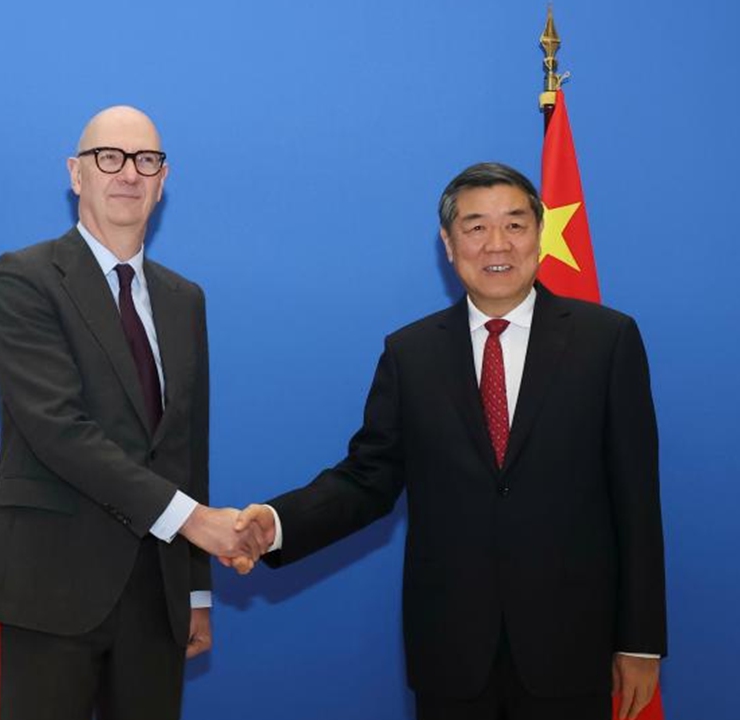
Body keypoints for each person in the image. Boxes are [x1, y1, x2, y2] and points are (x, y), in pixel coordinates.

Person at [234, 162, 667, 720]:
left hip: (572, 647)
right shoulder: (410, 354)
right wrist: (277, 523)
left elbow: (637, 500)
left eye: (514, 225)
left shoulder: (607, 341)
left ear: (540, 233)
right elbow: (368, 479)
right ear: (448, 242)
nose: (497, 244)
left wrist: (640, 641)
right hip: (452, 654)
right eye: (475, 226)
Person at [0, 106, 264, 720]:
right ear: (77, 174)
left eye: (146, 161)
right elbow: (58, 430)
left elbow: (186, 447)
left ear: (163, 180)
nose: (128, 174)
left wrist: (196, 587)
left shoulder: (185, 299)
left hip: (156, 593)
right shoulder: (25, 278)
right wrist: (194, 521)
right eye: (110, 158)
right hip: (53, 585)